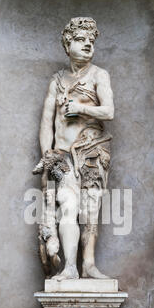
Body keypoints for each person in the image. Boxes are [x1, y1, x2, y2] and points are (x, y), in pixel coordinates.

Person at [33, 17, 114, 280]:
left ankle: (88, 264)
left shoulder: (99, 75)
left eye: (91, 40)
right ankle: (70, 267)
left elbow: (109, 111)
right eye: (81, 39)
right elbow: (46, 123)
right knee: (68, 206)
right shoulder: (56, 80)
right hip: (63, 156)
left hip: (91, 152)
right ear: (68, 45)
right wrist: (47, 156)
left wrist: (81, 108)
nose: (88, 44)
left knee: (90, 211)